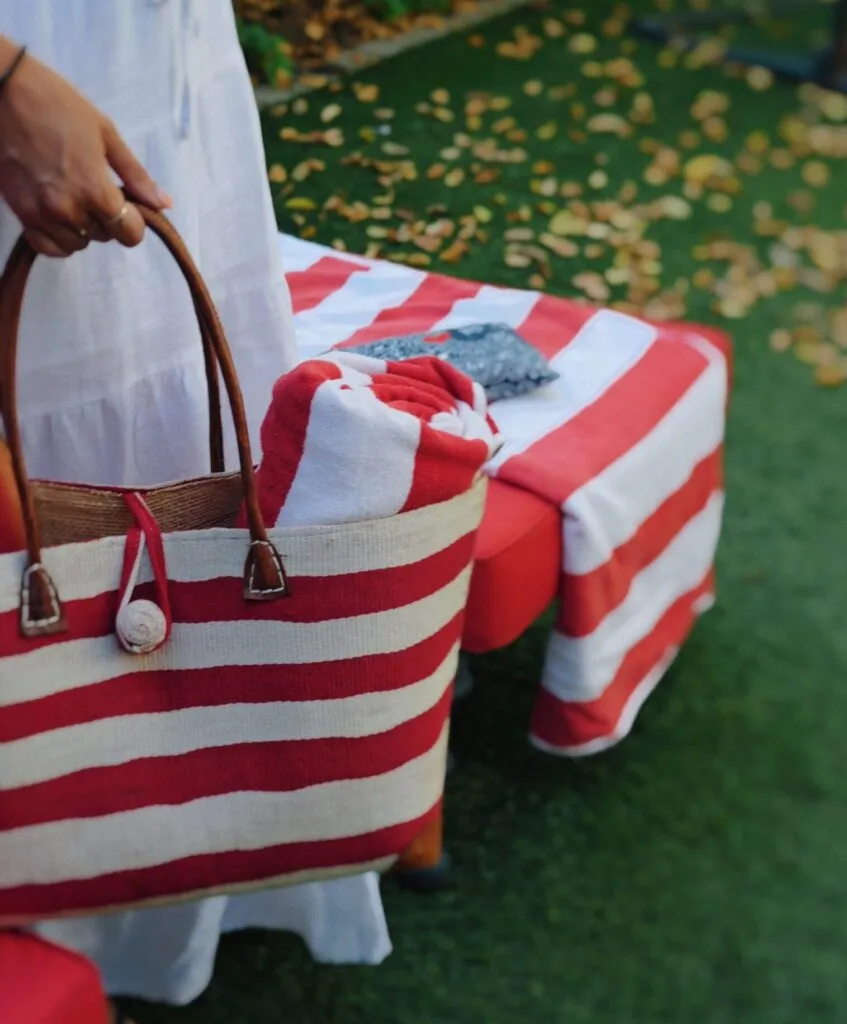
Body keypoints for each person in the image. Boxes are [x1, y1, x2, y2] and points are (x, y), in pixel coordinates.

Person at [0, 0, 391, 1015]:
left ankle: (205, 842)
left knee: (205, 401)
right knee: (37, 441)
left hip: (171, 74)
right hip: (30, 75)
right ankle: (57, 879)